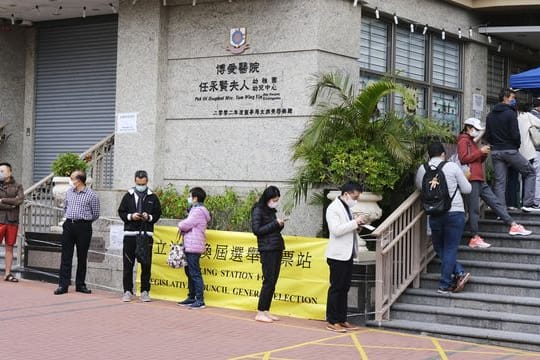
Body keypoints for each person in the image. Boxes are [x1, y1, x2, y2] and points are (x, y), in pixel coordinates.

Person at [458, 118, 532, 249]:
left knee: (495, 202)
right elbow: (463, 159)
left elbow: (476, 160)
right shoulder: (463, 141)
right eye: (475, 129)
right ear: (468, 128)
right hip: (472, 178)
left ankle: (513, 225)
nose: (477, 132)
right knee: (474, 209)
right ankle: (474, 237)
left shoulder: (470, 141)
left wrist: (483, 154)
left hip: (478, 177)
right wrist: (480, 151)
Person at [416, 142, 472, 294]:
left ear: (429, 155)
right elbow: (467, 189)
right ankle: (445, 284)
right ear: (443, 153)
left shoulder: (423, 168)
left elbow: (420, 187)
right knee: (450, 248)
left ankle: (459, 273)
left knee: (439, 247)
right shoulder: (452, 166)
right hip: (455, 212)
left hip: (434, 213)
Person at [484, 88, 539, 212]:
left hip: (496, 152)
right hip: (510, 150)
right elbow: (515, 134)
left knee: (500, 182)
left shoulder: (490, 115)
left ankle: (500, 210)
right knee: (530, 172)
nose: (514, 101)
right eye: (512, 98)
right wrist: (516, 147)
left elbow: (488, 136)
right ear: (505, 98)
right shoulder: (510, 114)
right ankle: (527, 204)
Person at [325, 181, 364, 333]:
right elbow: (336, 230)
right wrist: (355, 223)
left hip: (347, 254)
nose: (356, 200)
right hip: (337, 255)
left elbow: (347, 229)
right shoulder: (333, 208)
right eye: (355, 196)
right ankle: (332, 320)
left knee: (345, 288)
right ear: (346, 194)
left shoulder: (346, 207)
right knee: (336, 288)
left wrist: (357, 225)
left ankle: (342, 319)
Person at [118, 170, 162, 302]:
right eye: (138, 183)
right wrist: (131, 216)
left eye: (143, 183)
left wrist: (149, 217)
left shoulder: (152, 197)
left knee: (146, 264)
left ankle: (145, 291)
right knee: (128, 264)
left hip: (146, 235)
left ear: (147, 181)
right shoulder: (128, 196)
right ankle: (127, 291)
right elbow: (121, 212)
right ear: (135, 181)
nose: (140, 186)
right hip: (130, 234)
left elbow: (158, 214)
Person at [54, 170, 100, 295]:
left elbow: (95, 213)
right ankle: (63, 285)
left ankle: (80, 284)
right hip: (69, 225)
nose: (70, 180)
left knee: (82, 256)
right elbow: (65, 208)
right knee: (66, 256)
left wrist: (84, 221)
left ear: (79, 180)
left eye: (72, 178)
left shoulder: (92, 195)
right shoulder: (69, 192)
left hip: (83, 227)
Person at [251, 186, 285, 323]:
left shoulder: (270, 210)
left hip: (276, 246)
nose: (276, 202)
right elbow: (257, 230)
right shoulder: (258, 209)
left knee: (273, 280)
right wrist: (274, 224)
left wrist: (279, 224)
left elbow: (272, 228)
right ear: (268, 198)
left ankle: (266, 310)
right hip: (267, 249)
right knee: (268, 280)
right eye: (274, 200)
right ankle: (260, 312)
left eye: (277, 200)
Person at [177, 187, 211, 309]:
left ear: (195, 198)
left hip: (193, 246)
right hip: (191, 244)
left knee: (194, 273)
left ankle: (200, 300)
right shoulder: (196, 210)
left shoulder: (198, 211)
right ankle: (191, 297)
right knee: (190, 272)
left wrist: (179, 224)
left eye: (190, 196)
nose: (189, 198)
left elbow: (186, 224)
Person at [0, 163, 24, 283]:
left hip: (12, 220)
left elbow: (19, 200)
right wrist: (12, 204)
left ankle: (8, 273)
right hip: (0, 220)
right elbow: (14, 203)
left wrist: (3, 200)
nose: (1, 173)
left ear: (9, 172)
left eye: (2, 171)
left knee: (9, 247)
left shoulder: (18, 186)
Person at [521, 99, 540, 206]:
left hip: (527, 150)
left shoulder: (525, 116)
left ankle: (527, 199)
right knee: (536, 175)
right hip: (536, 149)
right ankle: (536, 200)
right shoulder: (535, 117)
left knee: (528, 175)